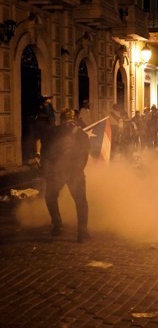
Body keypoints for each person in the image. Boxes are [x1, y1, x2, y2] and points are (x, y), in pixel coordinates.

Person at [43, 108, 91, 243]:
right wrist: (48, 171)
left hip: (68, 172)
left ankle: (77, 230)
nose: (68, 123)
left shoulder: (78, 135)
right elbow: (46, 152)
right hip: (63, 172)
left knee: (78, 201)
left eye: (70, 120)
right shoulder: (56, 133)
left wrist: (75, 170)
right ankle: (65, 227)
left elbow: (84, 156)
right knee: (52, 197)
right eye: (67, 120)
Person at [34, 95, 57, 168]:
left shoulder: (49, 108)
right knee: (46, 150)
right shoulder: (41, 113)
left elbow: (53, 119)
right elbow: (38, 138)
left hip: (50, 132)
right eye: (47, 100)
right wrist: (38, 152)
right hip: (46, 134)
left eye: (49, 99)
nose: (49, 101)